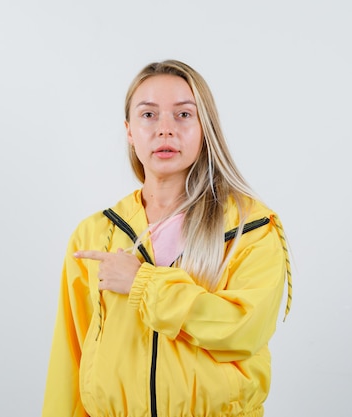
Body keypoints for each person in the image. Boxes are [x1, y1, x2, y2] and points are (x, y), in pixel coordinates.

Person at [42, 59, 292, 417]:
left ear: (206, 127)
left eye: (183, 115)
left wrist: (143, 284)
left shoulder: (250, 228)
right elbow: (69, 361)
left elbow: (243, 328)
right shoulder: (96, 234)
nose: (165, 130)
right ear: (129, 131)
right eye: (148, 115)